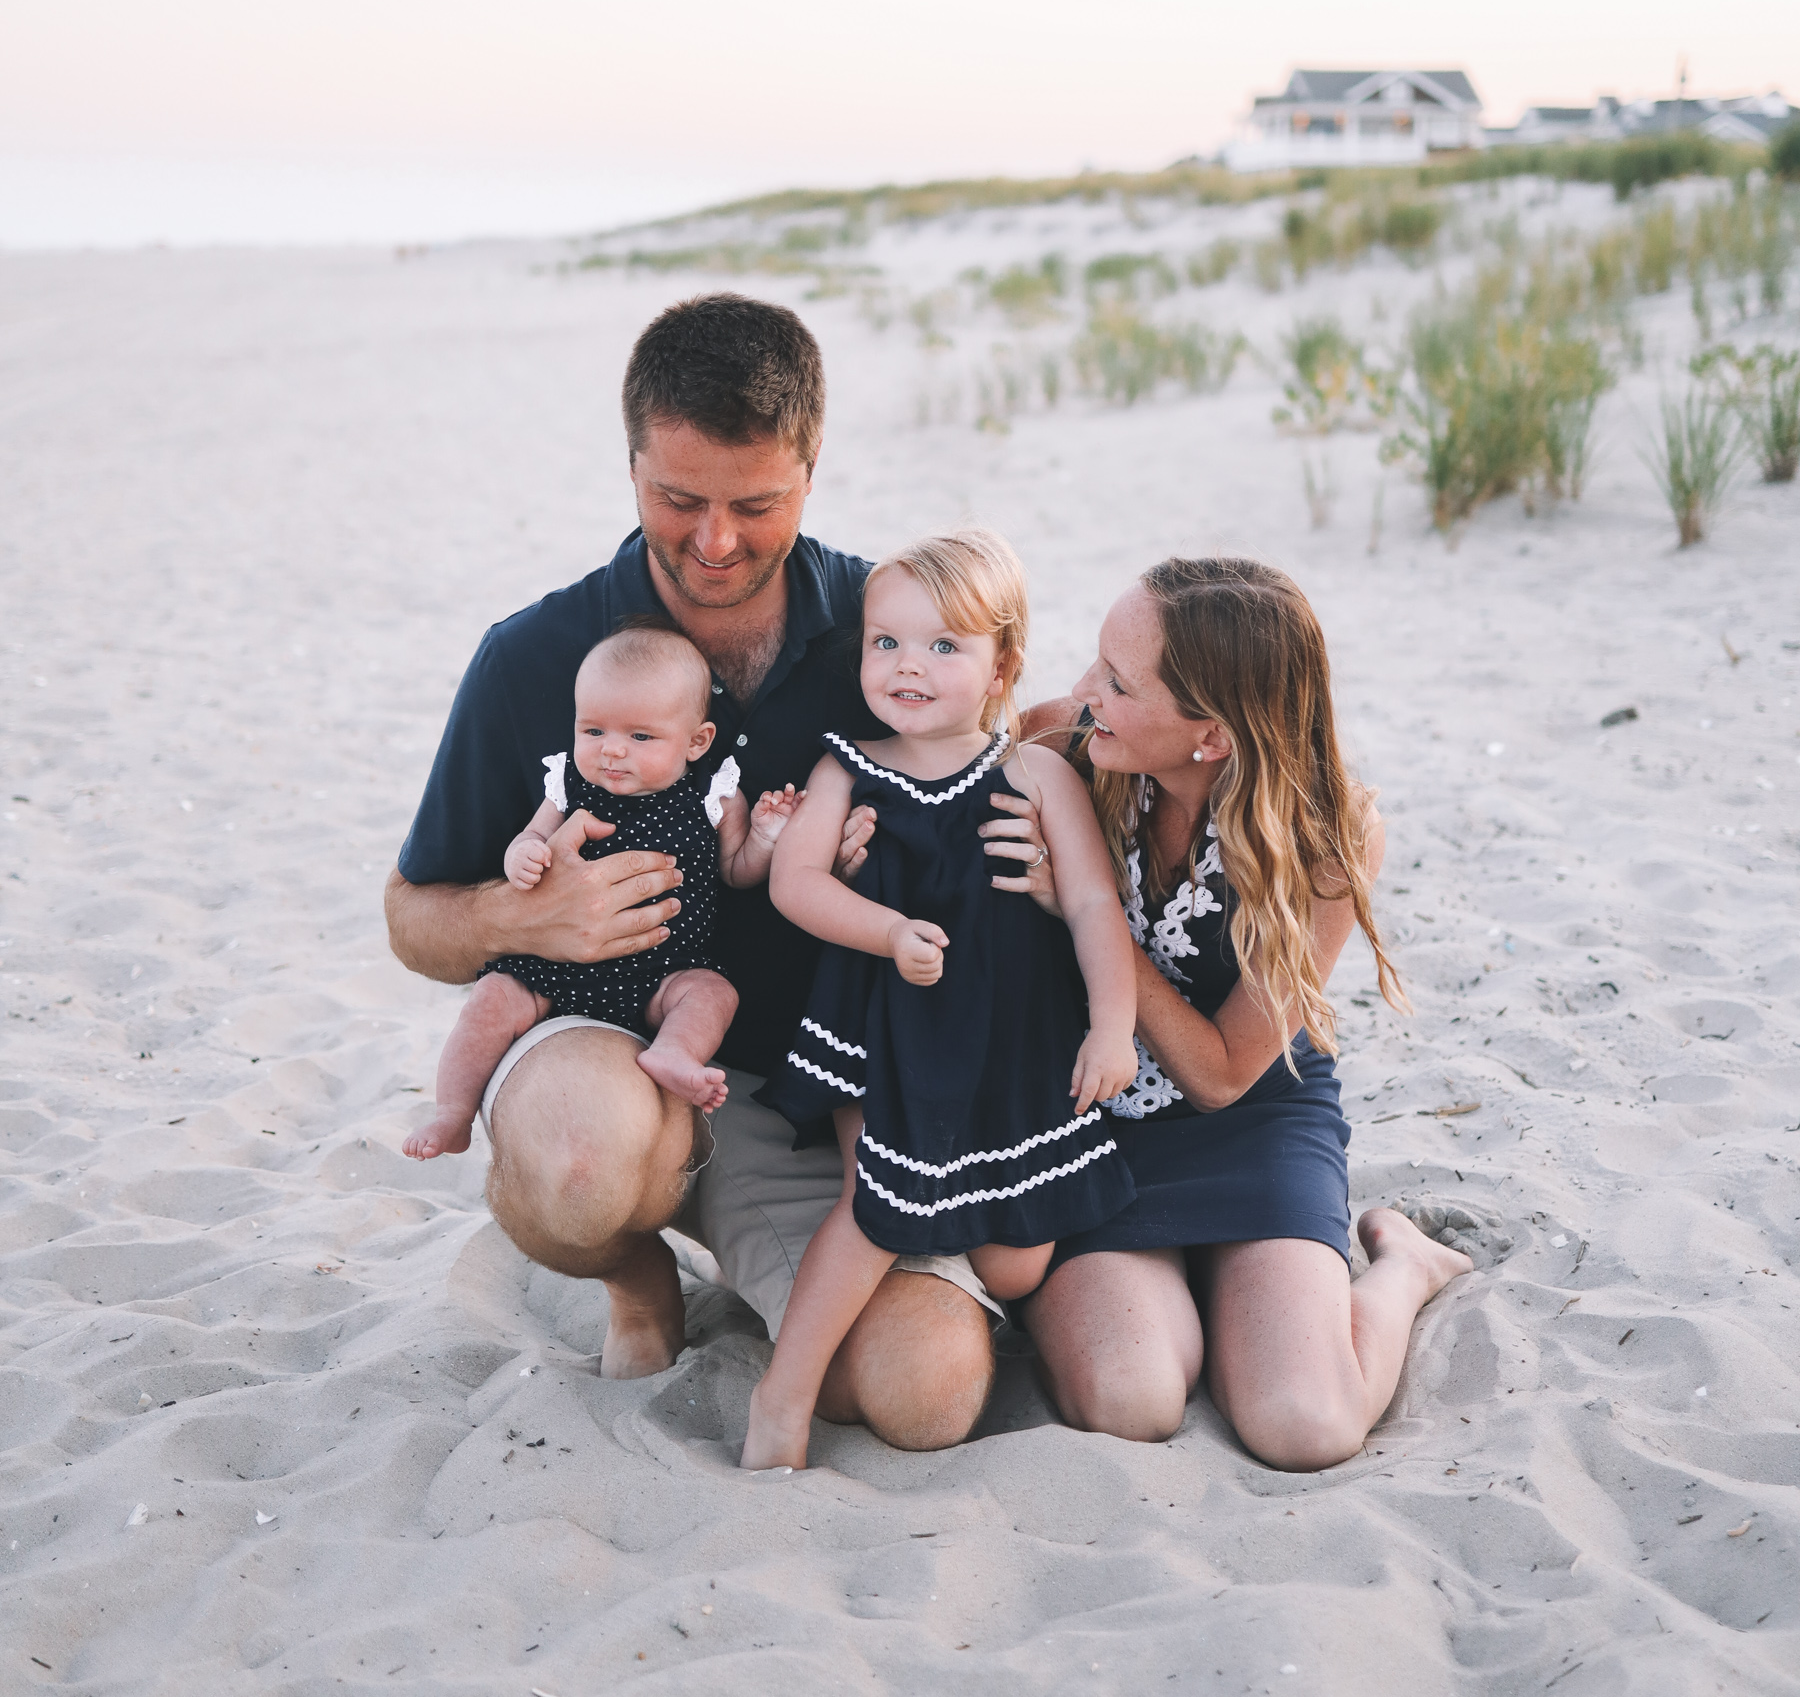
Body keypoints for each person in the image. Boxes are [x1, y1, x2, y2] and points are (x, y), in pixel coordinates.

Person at [384, 293, 1002, 1443]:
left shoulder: (895, 633)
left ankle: (772, 1267)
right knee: (576, 1168)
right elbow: (411, 915)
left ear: (812, 470)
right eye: (678, 499)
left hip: (825, 1102)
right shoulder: (535, 656)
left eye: (756, 505)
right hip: (614, 1056)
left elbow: (1023, 751)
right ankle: (636, 1276)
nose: (715, 541)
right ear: (630, 468)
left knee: (931, 1392)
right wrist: (526, 916)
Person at [1001, 557, 1470, 1471]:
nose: (1081, 691)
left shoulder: (1330, 838)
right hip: (1088, 1105)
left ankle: (1405, 1266)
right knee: (1128, 1398)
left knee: (1306, 1425)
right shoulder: (1059, 746)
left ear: (1210, 735)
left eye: (1118, 682)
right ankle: (1212, 1303)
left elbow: (1221, 1074)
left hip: (1249, 1113)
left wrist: (1086, 910)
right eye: (1096, 660)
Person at [741, 530, 1139, 1471]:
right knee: (877, 1201)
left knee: (1014, 1262)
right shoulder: (851, 767)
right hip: (885, 1030)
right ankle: (782, 1398)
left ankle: (935, 1255)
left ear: (1003, 662)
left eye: (943, 646)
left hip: (1005, 1038)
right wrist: (886, 933)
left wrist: (1115, 1025)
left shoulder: (1037, 775)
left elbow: (1090, 903)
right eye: (886, 643)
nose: (907, 666)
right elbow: (796, 883)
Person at [400, 620, 803, 1160]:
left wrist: (767, 836)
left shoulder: (714, 793)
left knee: (713, 993)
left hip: (663, 972)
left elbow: (738, 870)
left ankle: (674, 1054)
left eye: (640, 737)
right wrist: (523, 856)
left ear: (696, 741)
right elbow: (532, 834)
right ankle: (452, 1111)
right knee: (491, 998)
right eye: (593, 731)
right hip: (555, 968)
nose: (612, 751)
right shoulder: (568, 783)